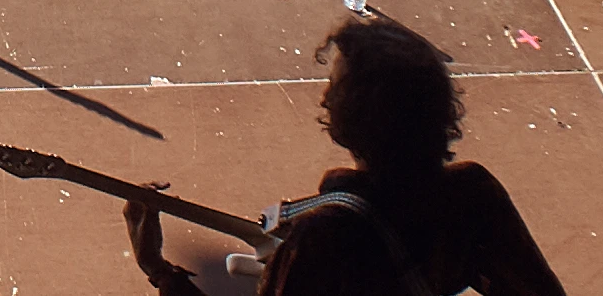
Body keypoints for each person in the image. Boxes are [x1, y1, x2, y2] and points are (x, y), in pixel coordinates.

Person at [117, 16, 564, 293]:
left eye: (337, 85)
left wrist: (161, 271)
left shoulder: (324, 238)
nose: (326, 96)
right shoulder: (472, 193)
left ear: (353, 117)